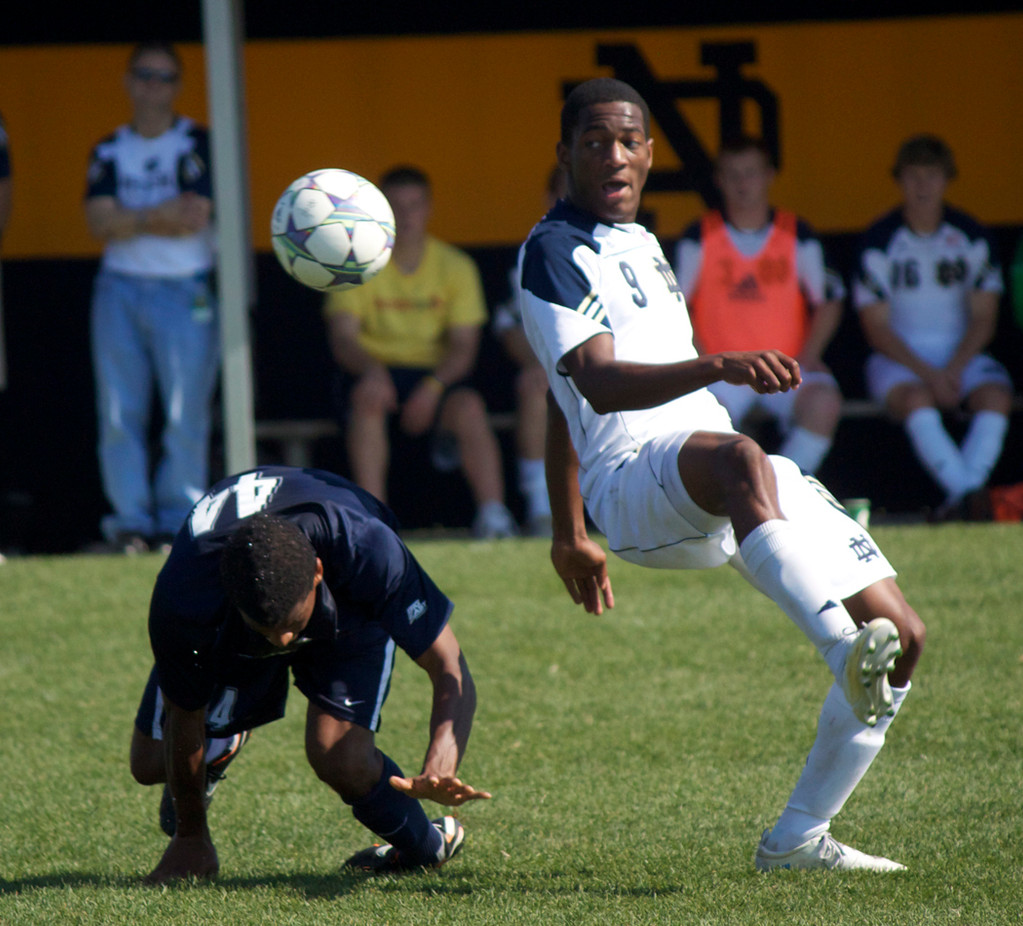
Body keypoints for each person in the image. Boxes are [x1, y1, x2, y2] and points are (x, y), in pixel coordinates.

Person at [517, 77, 926, 872]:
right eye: (593, 141)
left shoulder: (638, 240)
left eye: (628, 140)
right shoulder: (550, 253)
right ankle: (841, 649)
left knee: (905, 637)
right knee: (744, 459)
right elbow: (591, 385)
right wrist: (717, 364)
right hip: (633, 482)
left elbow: (550, 391)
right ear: (564, 152)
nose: (613, 156)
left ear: (649, 151)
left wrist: (564, 538)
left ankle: (798, 839)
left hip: (711, 466)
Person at [129, 464, 490, 884]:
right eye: (269, 630)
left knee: (340, 757)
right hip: (233, 609)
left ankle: (427, 845)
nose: (284, 641)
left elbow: (449, 665)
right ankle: (226, 733)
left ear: (317, 572)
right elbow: (183, 713)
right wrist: (191, 837)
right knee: (151, 763)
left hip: (346, 598)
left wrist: (440, 762)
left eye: (293, 625)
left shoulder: (366, 547)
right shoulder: (184, 596)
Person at [324, 165, 517, 539]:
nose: (405, 215)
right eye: (395, 205)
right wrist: (372, 371)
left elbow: (464, 347)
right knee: (367, 398)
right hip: (375, 372)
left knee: (470, 406)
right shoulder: (355, 262)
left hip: (434, 377)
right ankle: (373, 521)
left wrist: (432, 386)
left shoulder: (455, 266)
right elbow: (343, 337)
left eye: (414, 205)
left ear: (428, 208)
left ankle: (495, 517)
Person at [84, 42, 220, 554]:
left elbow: (196, 215)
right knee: (120, 411)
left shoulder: (195, 141)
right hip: (118, 287)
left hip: (185, 287)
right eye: (143, 75)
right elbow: (98, 223)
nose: (152, 86)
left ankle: (178, 520)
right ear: (128, 81)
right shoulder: (110, 148)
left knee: (185, 411)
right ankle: (130, 523)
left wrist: (130, 218)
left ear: (177, 85)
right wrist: (156, 216)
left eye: (163, 77)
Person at [854, 134, 1013, 521]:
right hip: (899, 357)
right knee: (916, 399)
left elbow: (984, 318)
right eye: (912, 176)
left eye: (932, 175)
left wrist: (953, 370)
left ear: (947, 179)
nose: (923, 186)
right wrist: (931, 375)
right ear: (899, 180)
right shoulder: (880, 240)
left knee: (996, 396)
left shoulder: (971, 236)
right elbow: (877, 329)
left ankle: (962, 498)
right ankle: (971, 500)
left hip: (961, 354)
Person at [674, 136, 843, 475]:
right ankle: (732, 501)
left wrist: (810, 354)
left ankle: (786, 487)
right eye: (732, 174)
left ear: (768, 176)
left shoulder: (797, 233)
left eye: (750, 173)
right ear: (718, 180)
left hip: (786, 366)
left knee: (824, 402)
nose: (742, 183)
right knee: (697, 425)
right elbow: (676, 306)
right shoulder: (699, 235)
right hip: (723, 371)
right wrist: (701, 360)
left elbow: (828, 300)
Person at [490, 166, 568, 535]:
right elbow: (509, 325)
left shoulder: (623, 241)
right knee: (536, 382)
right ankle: (543, 506)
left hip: (615, 366)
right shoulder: (534, 249)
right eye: (563, 194)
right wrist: (551, 366)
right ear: (548, 199)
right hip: (566, 369)